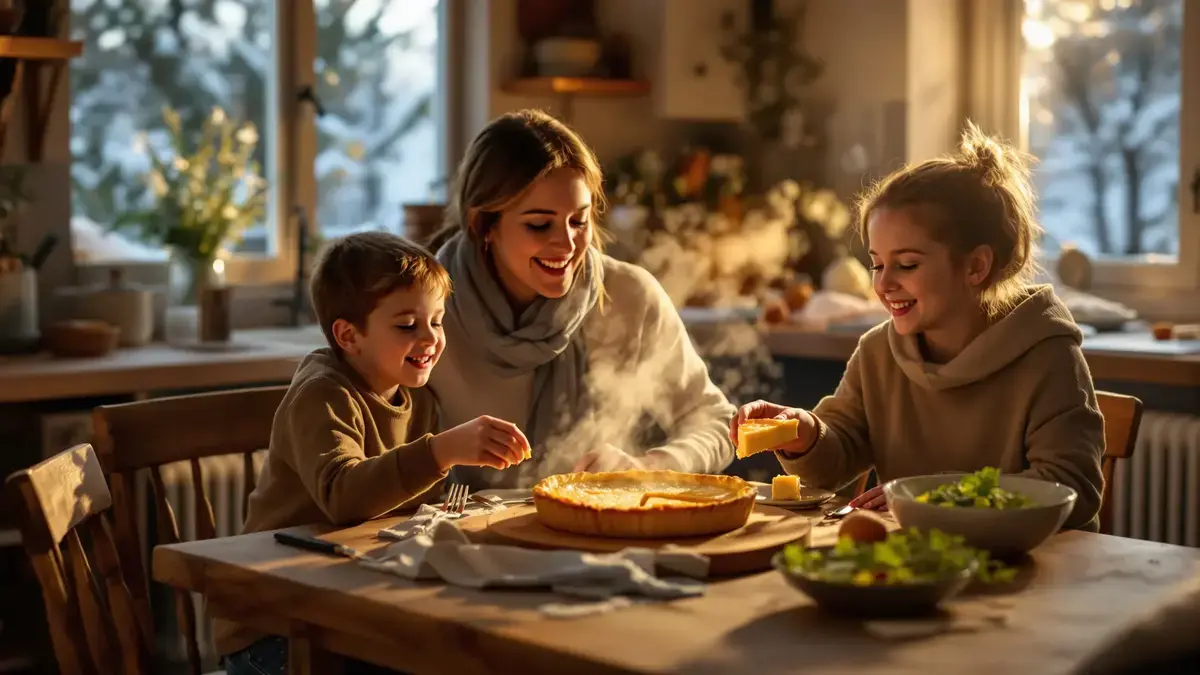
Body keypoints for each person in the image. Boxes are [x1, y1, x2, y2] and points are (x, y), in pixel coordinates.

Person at [731, 123, 1105, 531]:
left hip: (1041, 573)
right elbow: (835, 459)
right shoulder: (879, 352)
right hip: (921, 566)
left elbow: (1073, 488)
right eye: (877, 263)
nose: (884, 283)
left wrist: (933, 495)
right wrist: (805, 433)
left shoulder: (1047, 355)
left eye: (907, 264)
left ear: (975, 266)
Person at [218, 232, 531, 675]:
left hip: (347, 603)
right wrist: (442, 451)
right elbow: (344, 496)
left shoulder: (417, 398)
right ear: (349, 336)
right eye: (407, 325)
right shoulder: (323, 394)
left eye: (437, 321)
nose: (430, 339)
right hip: (277, 626)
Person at [428, 109, 736, 489]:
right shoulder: (425, 311)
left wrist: (648, 467)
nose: (567, 244)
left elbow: (717, 423)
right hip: (458, 539)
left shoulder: (629, 296)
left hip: (592, 534)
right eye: (539, 224)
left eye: (579, 221)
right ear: (483, 226)